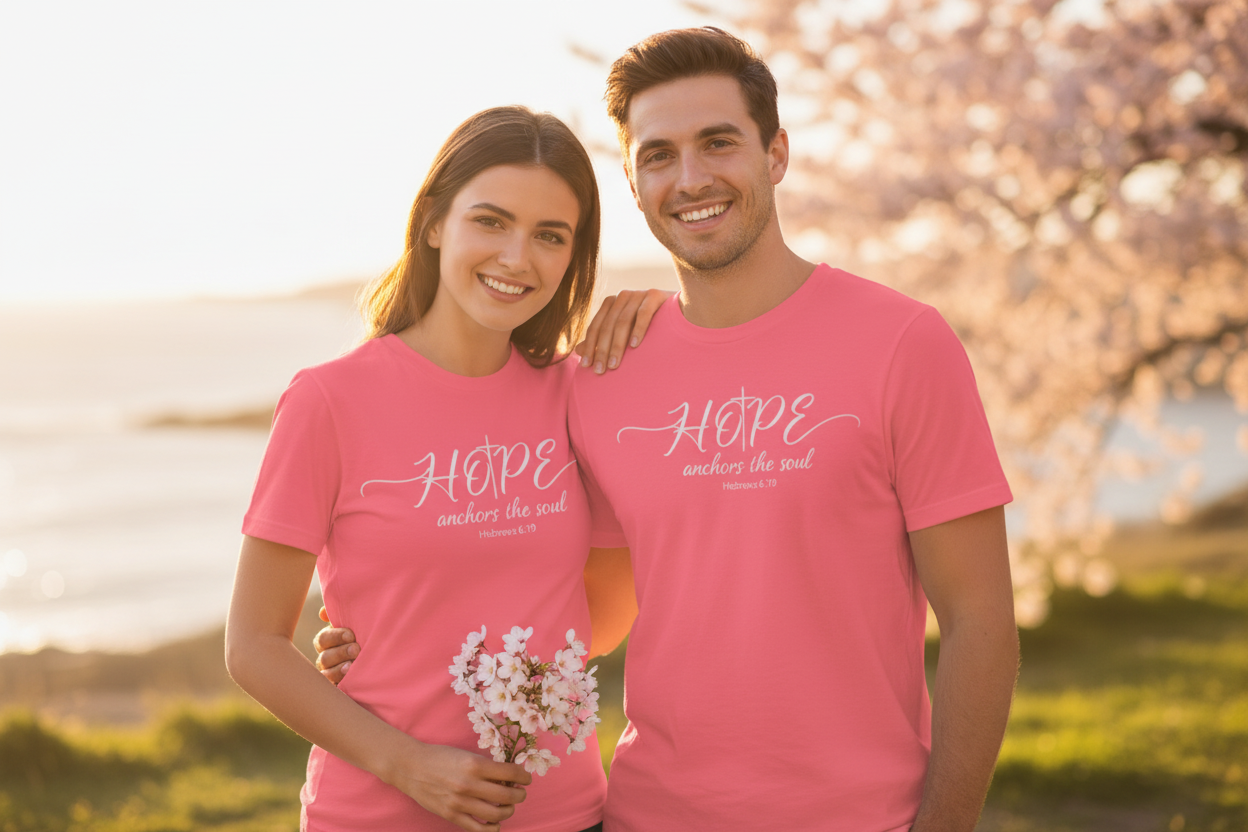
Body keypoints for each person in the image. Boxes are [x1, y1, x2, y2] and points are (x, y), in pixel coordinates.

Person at [320, 27, 1020, 832]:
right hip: (645, 814)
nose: (690, 179)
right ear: (632, 178)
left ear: (776, 154)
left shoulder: (902, 343)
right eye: (657, 155)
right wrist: (381, 650)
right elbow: (581, 607)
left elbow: (980, 621)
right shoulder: (602, 375)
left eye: (717, 143)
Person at [226, 105, 655, 832]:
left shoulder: (581, 395)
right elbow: (255, 647)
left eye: (550, 235)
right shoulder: (329, 401)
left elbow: (601, 620)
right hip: (378, 812)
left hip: (562, 813)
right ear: (433, 222)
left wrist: (659, 314)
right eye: (490, 221)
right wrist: (408, 763)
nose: (518, 257)